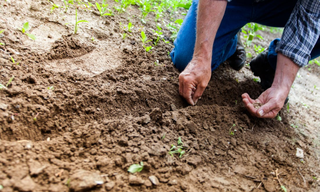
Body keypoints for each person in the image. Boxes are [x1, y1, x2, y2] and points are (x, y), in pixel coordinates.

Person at [170, 0, 320, 118]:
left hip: (283, 5)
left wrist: (281, 85)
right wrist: (201, 58)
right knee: (186, 58)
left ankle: (272, 64)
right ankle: (229, 41)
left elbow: (310, 16)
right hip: (234, 2)